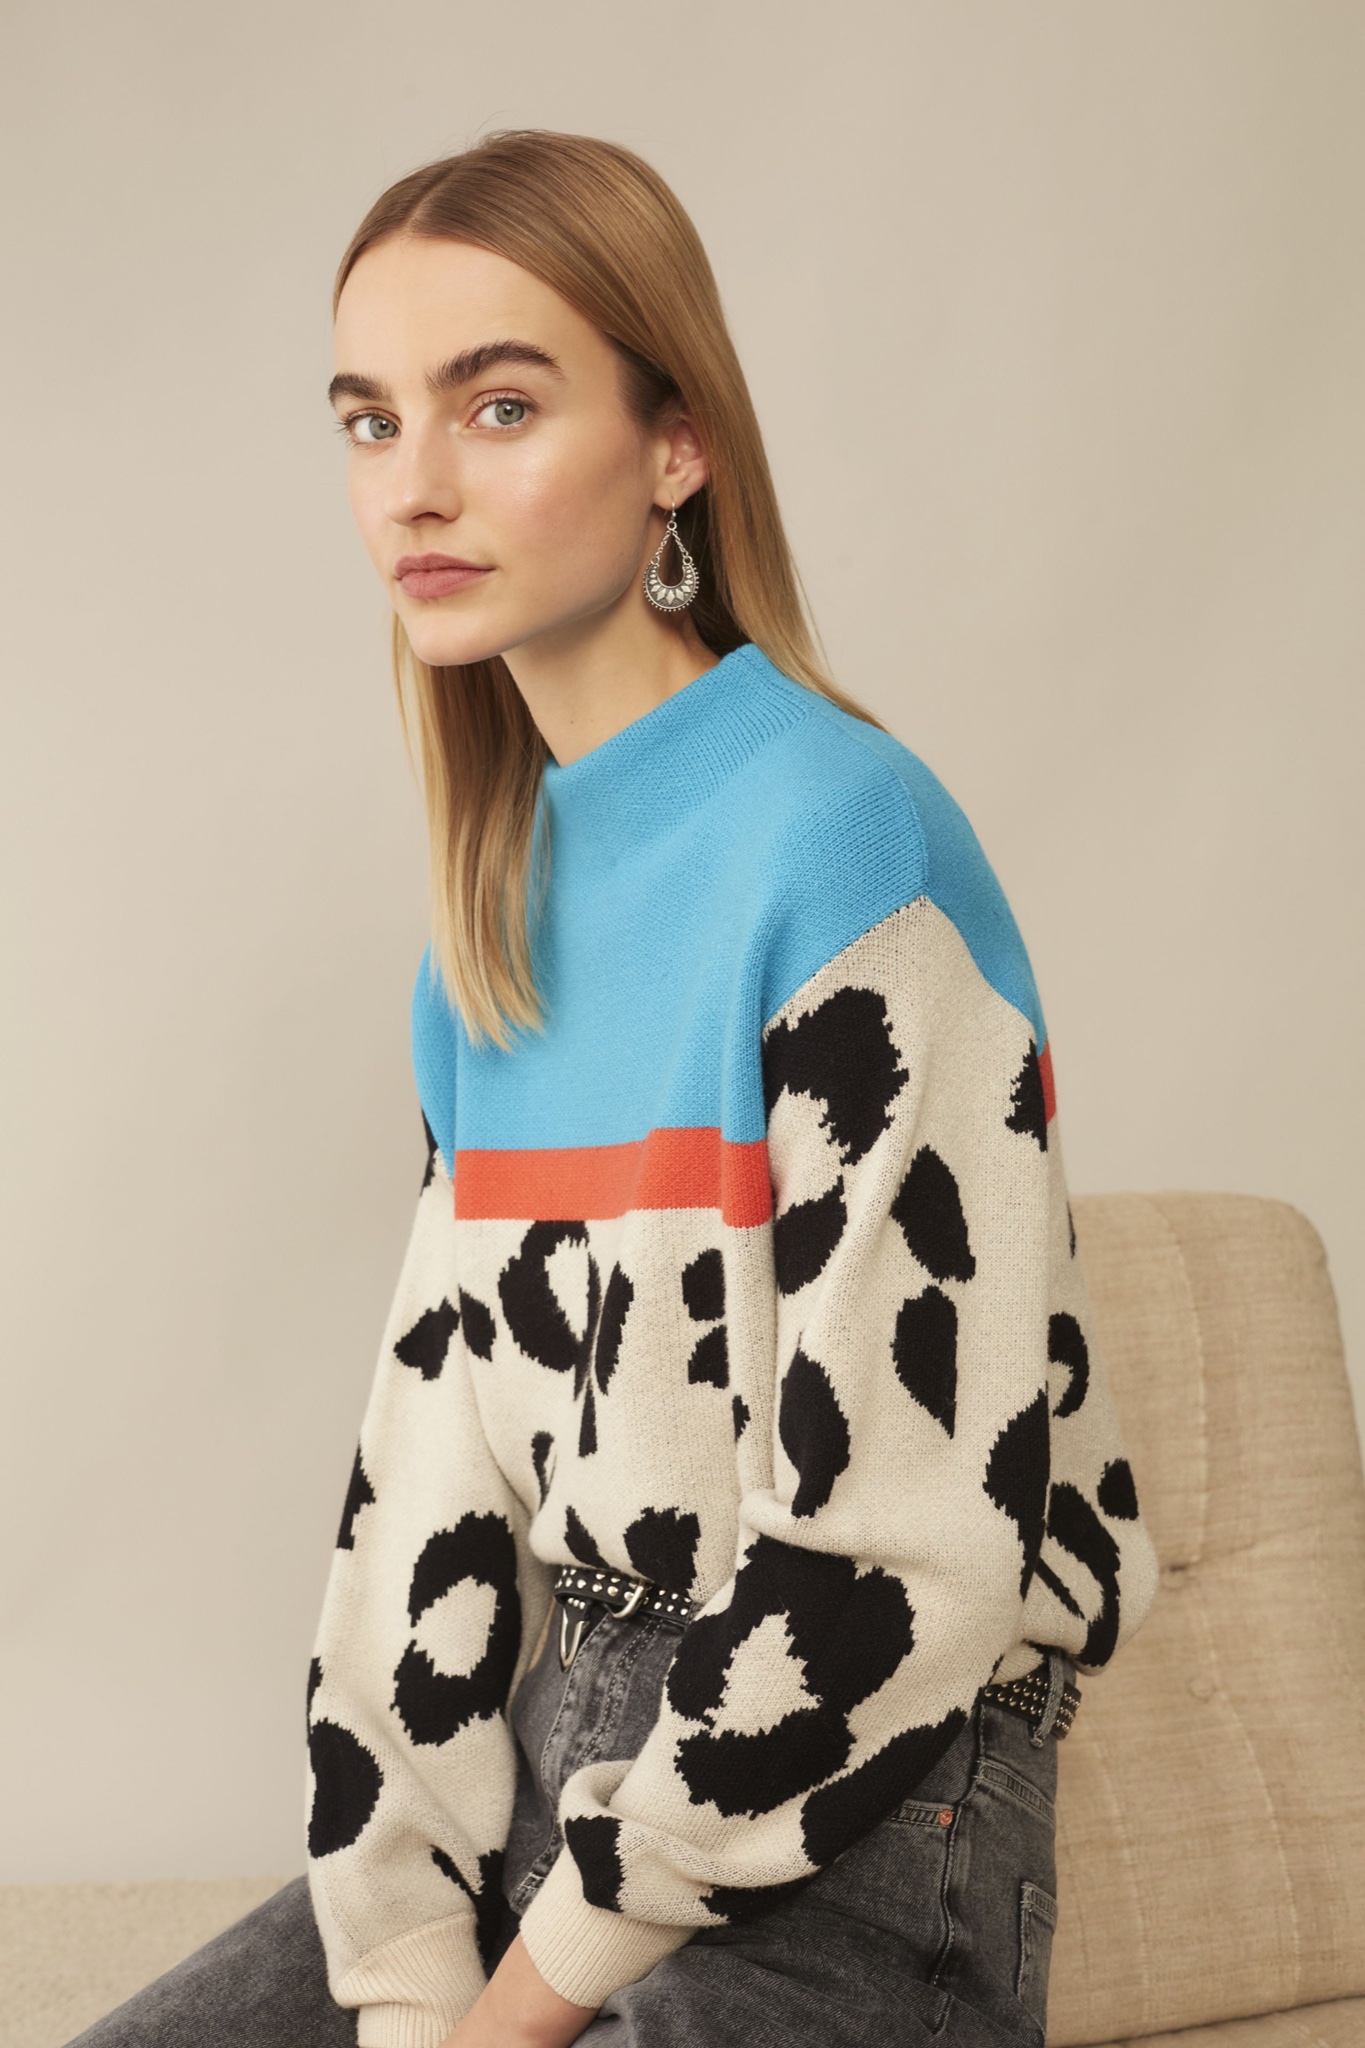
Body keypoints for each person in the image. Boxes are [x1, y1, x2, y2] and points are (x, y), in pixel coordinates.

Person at [71, 129, 1159, 2048]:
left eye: (497, 405)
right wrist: (405, 1970)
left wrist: (523, 2005)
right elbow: (423, 1497)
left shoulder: (843, 849)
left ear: (677, 447)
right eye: (368, 419)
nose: (413, 483)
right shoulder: (485, 936)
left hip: (858, 1802)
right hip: (559, 1765)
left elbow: (908, 1552)